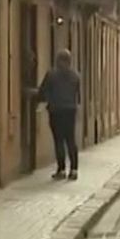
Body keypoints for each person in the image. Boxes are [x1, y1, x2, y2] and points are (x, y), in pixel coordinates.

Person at [35, 49, 81, 180]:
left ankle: (61, 170)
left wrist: (38, 99)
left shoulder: (51, 75)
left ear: (58, 61)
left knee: (59, 140)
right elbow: (78, 95)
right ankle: (74, 170)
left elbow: (42, 92)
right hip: (70, 111)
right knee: (71, 140)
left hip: (56, 111)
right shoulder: (75, 76)